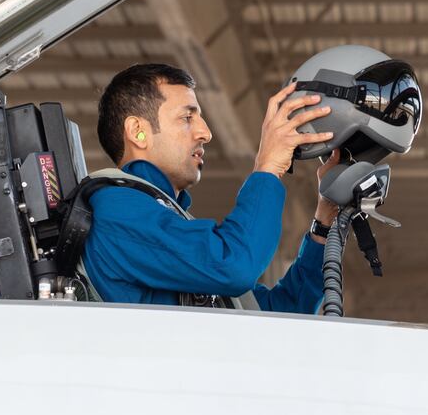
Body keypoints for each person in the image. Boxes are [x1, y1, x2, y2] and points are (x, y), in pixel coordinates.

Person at [82, 63, 338, 313]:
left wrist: (323, 223)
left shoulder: (167, 225)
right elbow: (234, 266)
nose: (205, 132)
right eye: (187, 117)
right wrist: (267, 167)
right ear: (138, 131)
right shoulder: (116, 213)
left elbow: (277, 313)